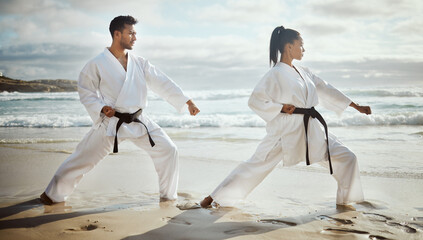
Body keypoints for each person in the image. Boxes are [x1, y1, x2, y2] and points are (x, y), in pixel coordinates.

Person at [200, 26, 371, 208]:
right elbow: (255, 100)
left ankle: (347, 202)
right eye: (301, 45)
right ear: (289, 47)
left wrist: (355, 106)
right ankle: (213, 197)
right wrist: (280, 107)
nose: (304, 50)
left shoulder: (305, 71)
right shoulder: (275, 74)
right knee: (255, 165)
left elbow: (326, 88)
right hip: (286, 131)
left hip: (312, 129)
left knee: (347, 157)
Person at [40, 15, 200, 205]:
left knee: (169, 150)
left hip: (139, 121)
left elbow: (162, 82)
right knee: (82, 159)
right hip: (111, 122)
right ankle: (52, 195)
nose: (135, 37)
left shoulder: (140, 62)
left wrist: (187, 101)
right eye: (130, 33)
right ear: (117, 34)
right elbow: (86, 90)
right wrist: (101, 107)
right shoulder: (97, 63)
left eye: (135, 33)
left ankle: (168, 196)